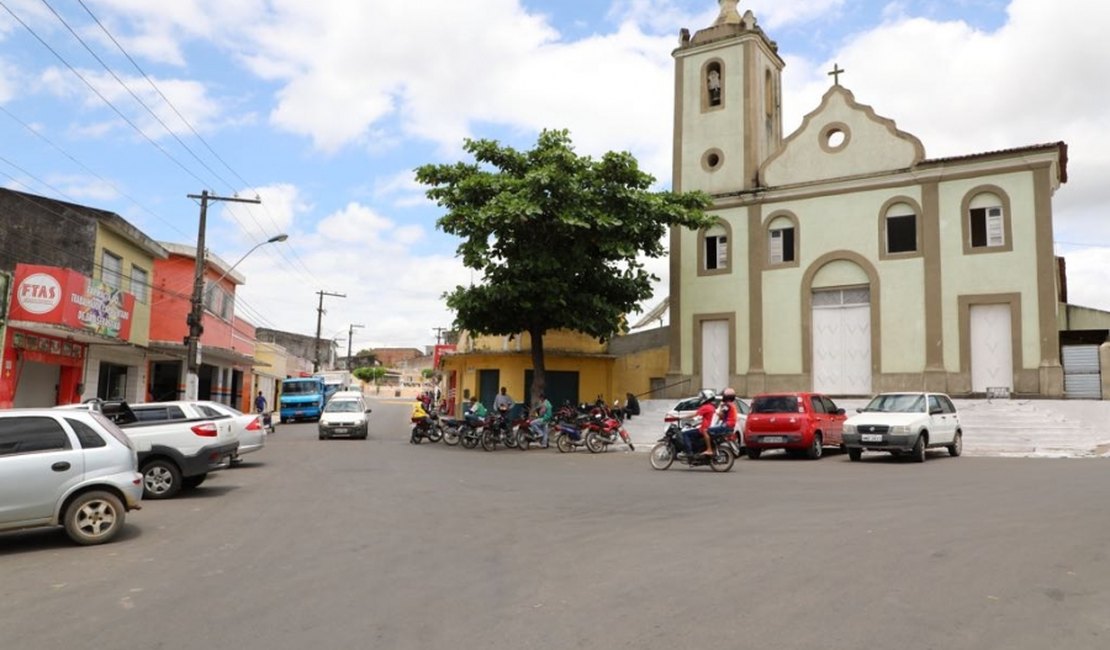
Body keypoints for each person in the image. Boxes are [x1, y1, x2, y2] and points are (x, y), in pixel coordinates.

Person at [683, 389, 717, 457]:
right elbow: (702, 418)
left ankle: (689, 453)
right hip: (707, 427)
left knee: (685, 434)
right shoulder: (711, 407)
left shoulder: (705, 407)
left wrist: (682, 417)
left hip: (704, 428)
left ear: (707, 397)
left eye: (702, 397)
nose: (701, 399)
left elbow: (695, 414)